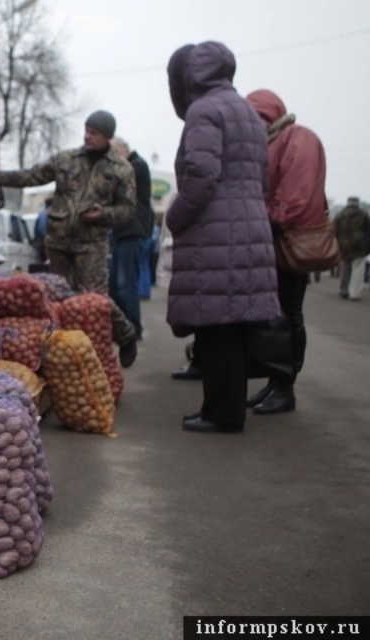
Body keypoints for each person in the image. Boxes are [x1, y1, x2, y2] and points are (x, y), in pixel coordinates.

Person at [164, 41, 281, 434]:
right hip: (248, 225)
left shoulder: (204, 110)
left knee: (215, 328)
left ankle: (222, 413)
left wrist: (175, 217)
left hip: (216, 230)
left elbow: (201, 173)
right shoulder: (245, 111)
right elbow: (261, 177)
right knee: (231, 325)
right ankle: (225, 408)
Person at [0, 110, 138, 365]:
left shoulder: (121, 169)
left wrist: (104, 214)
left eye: (94, 133)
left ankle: (126, 336)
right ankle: (67, 356)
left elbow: (128, 209)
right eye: (86, 130)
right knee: (58, 301)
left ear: (107, 137)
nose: (87, 137)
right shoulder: (66, 159)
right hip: (58, 242)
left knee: (97, 301)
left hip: (91, 245)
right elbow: (31, 176)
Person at [243, 89, 328, 414]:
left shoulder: (297, 139)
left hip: (290, 241)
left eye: (256, 118)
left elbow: (294, 199)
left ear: (268, 116)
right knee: (278, 314)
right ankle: (276, 382)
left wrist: (260, 217)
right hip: (278, 239)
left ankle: (285, 386)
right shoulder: (278, 140)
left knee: (288, 313)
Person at [109, 137, 154, 340]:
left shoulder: (137, 167)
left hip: (132, 232)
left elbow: (116, 183)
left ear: (123, 150)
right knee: (117, 286)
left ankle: (133, 330)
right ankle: (124, 329)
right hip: (122, 232)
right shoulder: (132, 166)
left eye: (112, 153)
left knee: (125, 285)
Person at [334, 197, 370, 302]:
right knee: (357, 270)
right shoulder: (363, 215)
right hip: (360, 247)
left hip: (343, 246)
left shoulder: (340, 215)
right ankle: (355, 293)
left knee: (344, 269)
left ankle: (343, 290)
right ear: (357, 203)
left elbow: (334, 229)